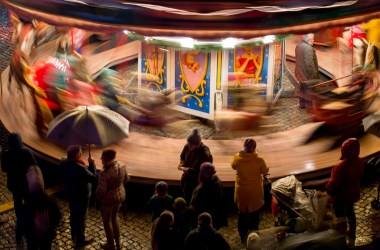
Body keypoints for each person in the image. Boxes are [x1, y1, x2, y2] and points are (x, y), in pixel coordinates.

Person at [325, 138, 364, 247]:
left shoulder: (340, 167)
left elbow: (332, 184)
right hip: (352, 195)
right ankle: (352, 235)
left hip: (340, 198)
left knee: (340, 217)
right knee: (351, 213)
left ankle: (341, 239)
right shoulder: (360, 161)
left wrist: (327, 188)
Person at [1, 132, 38, 243]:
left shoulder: (7, 153)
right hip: (26, 184)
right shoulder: (27, 152)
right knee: (28, 203)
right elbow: (34, 166)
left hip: (14, 184)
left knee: (17, 203)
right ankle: (28, 223)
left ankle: (20, 222)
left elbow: (4, 168)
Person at [231, 138, 269, 242]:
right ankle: (254, 235)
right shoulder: (259, 159)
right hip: (255, 192)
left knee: (242, 214)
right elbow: (265, 170)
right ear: (255, 148)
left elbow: (233, 166)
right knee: (255, 215)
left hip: (241, 191)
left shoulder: (238, 157)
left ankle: (242, 234)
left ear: (244, 146)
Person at [60, 145, 97, 247]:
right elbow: (93, 178)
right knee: (81, 217)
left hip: (71, 194)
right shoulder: (82, 170)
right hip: (82, 197)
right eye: (80, 153)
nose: (81, 155)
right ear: (77, 155)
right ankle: (80, 240)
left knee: (73, 214)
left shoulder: (63, 163)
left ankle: (73, 235)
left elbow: (66, 161)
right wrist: (91, 163)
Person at [96, 149, 129, 250]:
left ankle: (110, 244)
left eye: (102, 157)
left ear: (105, 159)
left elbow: (101, 191)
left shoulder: (104, 173)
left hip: (108, 201)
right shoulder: (122, 165)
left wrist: (97, 199)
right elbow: (127, 179)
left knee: (107, 221)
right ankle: (118, 243)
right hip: (120, 197)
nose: (101, 159)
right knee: (115, 218)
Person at [178, 129, 213, 203]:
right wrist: (182, 164)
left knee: (195, 200)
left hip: (196, 181)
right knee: (186, 195)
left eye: (191, 145)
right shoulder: (187, 146)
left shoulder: (205, 153)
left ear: (197, 144)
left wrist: (189, 170)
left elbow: (205, 169)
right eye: (188, 144)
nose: (189, 146)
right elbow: (182, 157)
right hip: (186, 178)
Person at [190, 162, 228, 229]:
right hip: (216, 218)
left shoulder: (201, 189)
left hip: (204, 220)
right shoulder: (218, 181)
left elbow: (194, 206)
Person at [295, 33, 320, 109]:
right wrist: (314, 75)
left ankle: (302, 104)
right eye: (312, 39)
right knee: (308, 90)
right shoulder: (308, 48)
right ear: (308, 40)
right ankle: (309, 107)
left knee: (302, 88)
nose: (313, 40)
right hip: (306, 75)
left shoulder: (298, 46)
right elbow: (309, 64)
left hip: (300, 72)